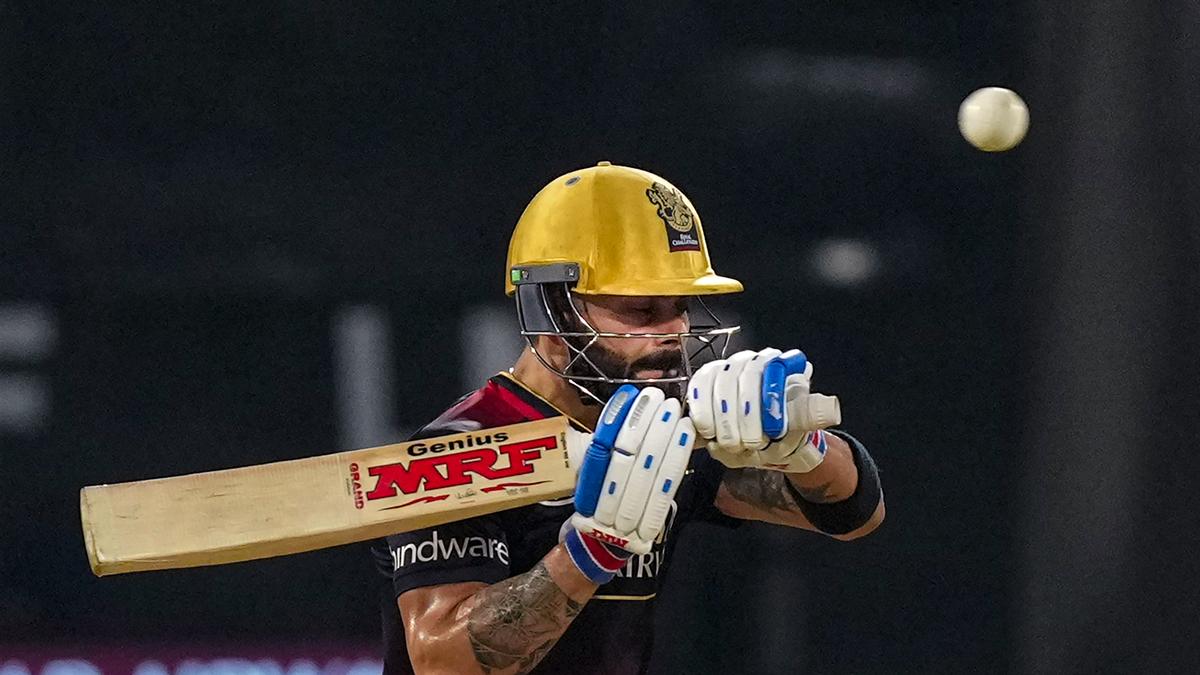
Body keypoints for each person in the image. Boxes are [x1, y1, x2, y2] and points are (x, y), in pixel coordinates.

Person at [372, 162, 885, 674]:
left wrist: (802, 447)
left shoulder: (667, 427)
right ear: (551, 307)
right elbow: (441, 662)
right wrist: (590, 552)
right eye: (641, 311)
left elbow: (856, 514)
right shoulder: (455, 450)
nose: (674, 332)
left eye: (680, 306)